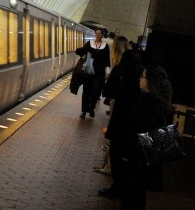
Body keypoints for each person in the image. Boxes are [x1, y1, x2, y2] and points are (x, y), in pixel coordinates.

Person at [118, 65, 175, 210]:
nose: (140, 79)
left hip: (138, 158)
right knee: (139, 195)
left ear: (150, 80)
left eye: (143, 76)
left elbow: (140, 130)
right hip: (148, 160)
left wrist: (128, 154)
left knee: (130, 196)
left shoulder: (149, 101)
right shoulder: (162, 101)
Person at [97, 36, 143, 197]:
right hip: (130, 124)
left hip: (119, 120)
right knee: (124, 157)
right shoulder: (138, 80)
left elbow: (107, 91)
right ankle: (122, 187)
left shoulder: (120, 71)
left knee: (116, 154)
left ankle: (116, 188)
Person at [75, 27, 111, 118]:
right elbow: (81, 51)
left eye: (99, 33)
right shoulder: (89, 44)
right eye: (96, 33)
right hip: (88, 72)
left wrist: (107, 71)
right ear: (95, 34)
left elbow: (107, 60)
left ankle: (91, 108)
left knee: (96, 91)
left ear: (102, 35)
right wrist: (80, 51)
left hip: (99, 73)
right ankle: (84, 111)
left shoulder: (105, 46)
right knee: (86, 91)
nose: (98, 35)